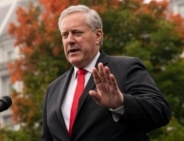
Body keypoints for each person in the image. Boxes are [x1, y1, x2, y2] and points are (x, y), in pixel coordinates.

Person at [42, 4, 171, 141]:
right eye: (65, 35)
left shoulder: (126, 68)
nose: (69, 40)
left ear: (98, 36)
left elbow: (160, 111)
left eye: (77, 33)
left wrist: (120, 104)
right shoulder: (53, 89)